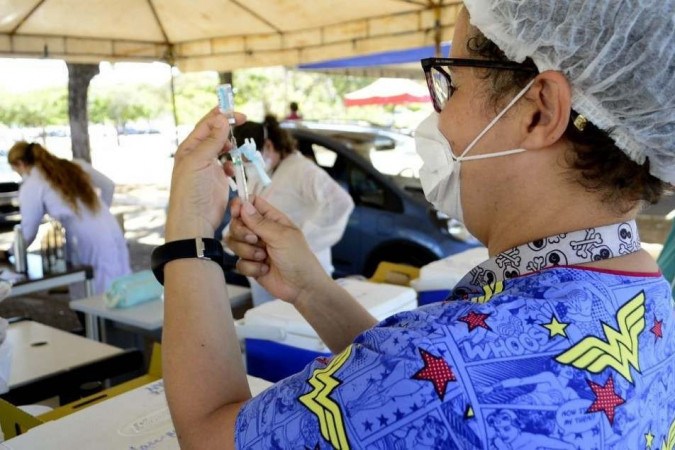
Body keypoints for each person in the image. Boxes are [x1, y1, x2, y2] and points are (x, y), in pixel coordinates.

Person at [157, 0, 674, 448]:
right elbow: (422, 391)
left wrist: (188, 234)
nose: (439, 120)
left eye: (449, 81)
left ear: (539, 111)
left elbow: (210, 436)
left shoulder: (455, 358)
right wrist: (312, 290)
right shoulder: (648, 302)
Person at [225, 115, 354, 306]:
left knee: (302, 329)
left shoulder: (301, 170)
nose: (248, 167)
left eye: (249, 161)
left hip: (303, 271)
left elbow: (339, 203)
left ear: (268, 146)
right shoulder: (265, 173)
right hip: (268, 274)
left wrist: (299, 243)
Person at [7, 142, 130, 295]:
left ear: (20, 164)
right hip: (110, 227)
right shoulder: (74, 165)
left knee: (92, 296)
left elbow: (29, 230)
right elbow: (108, 186)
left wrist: (10, 253)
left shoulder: (33, 184)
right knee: (122, 287)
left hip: (85, 238)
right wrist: (96, 213)